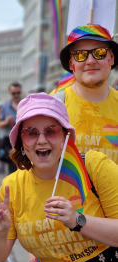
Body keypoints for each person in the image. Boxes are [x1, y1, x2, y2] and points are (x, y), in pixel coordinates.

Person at [0, 93, 118, 262]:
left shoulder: (94, 166)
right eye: (32, 133)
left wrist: (78, 220)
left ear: (64, 138)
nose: (42, 140)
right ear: (21, 144)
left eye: (51, 131)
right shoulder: (11, 187)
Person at [50, 24, 118, 164]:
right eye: (80, 55)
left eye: (99, 53)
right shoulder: (53, 107)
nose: (91, 61)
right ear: (71, 64)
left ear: (111, 58)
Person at [0, 82, 22, 174]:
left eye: (18, 93)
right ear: (10, 93)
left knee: (25, 167)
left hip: (24, 140)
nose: (16, 95)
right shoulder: (5, 106)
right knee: (12, 168)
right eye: (13, 93)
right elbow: (0, 124)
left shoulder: (25, 104)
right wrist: (6, 121)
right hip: (11, 141)